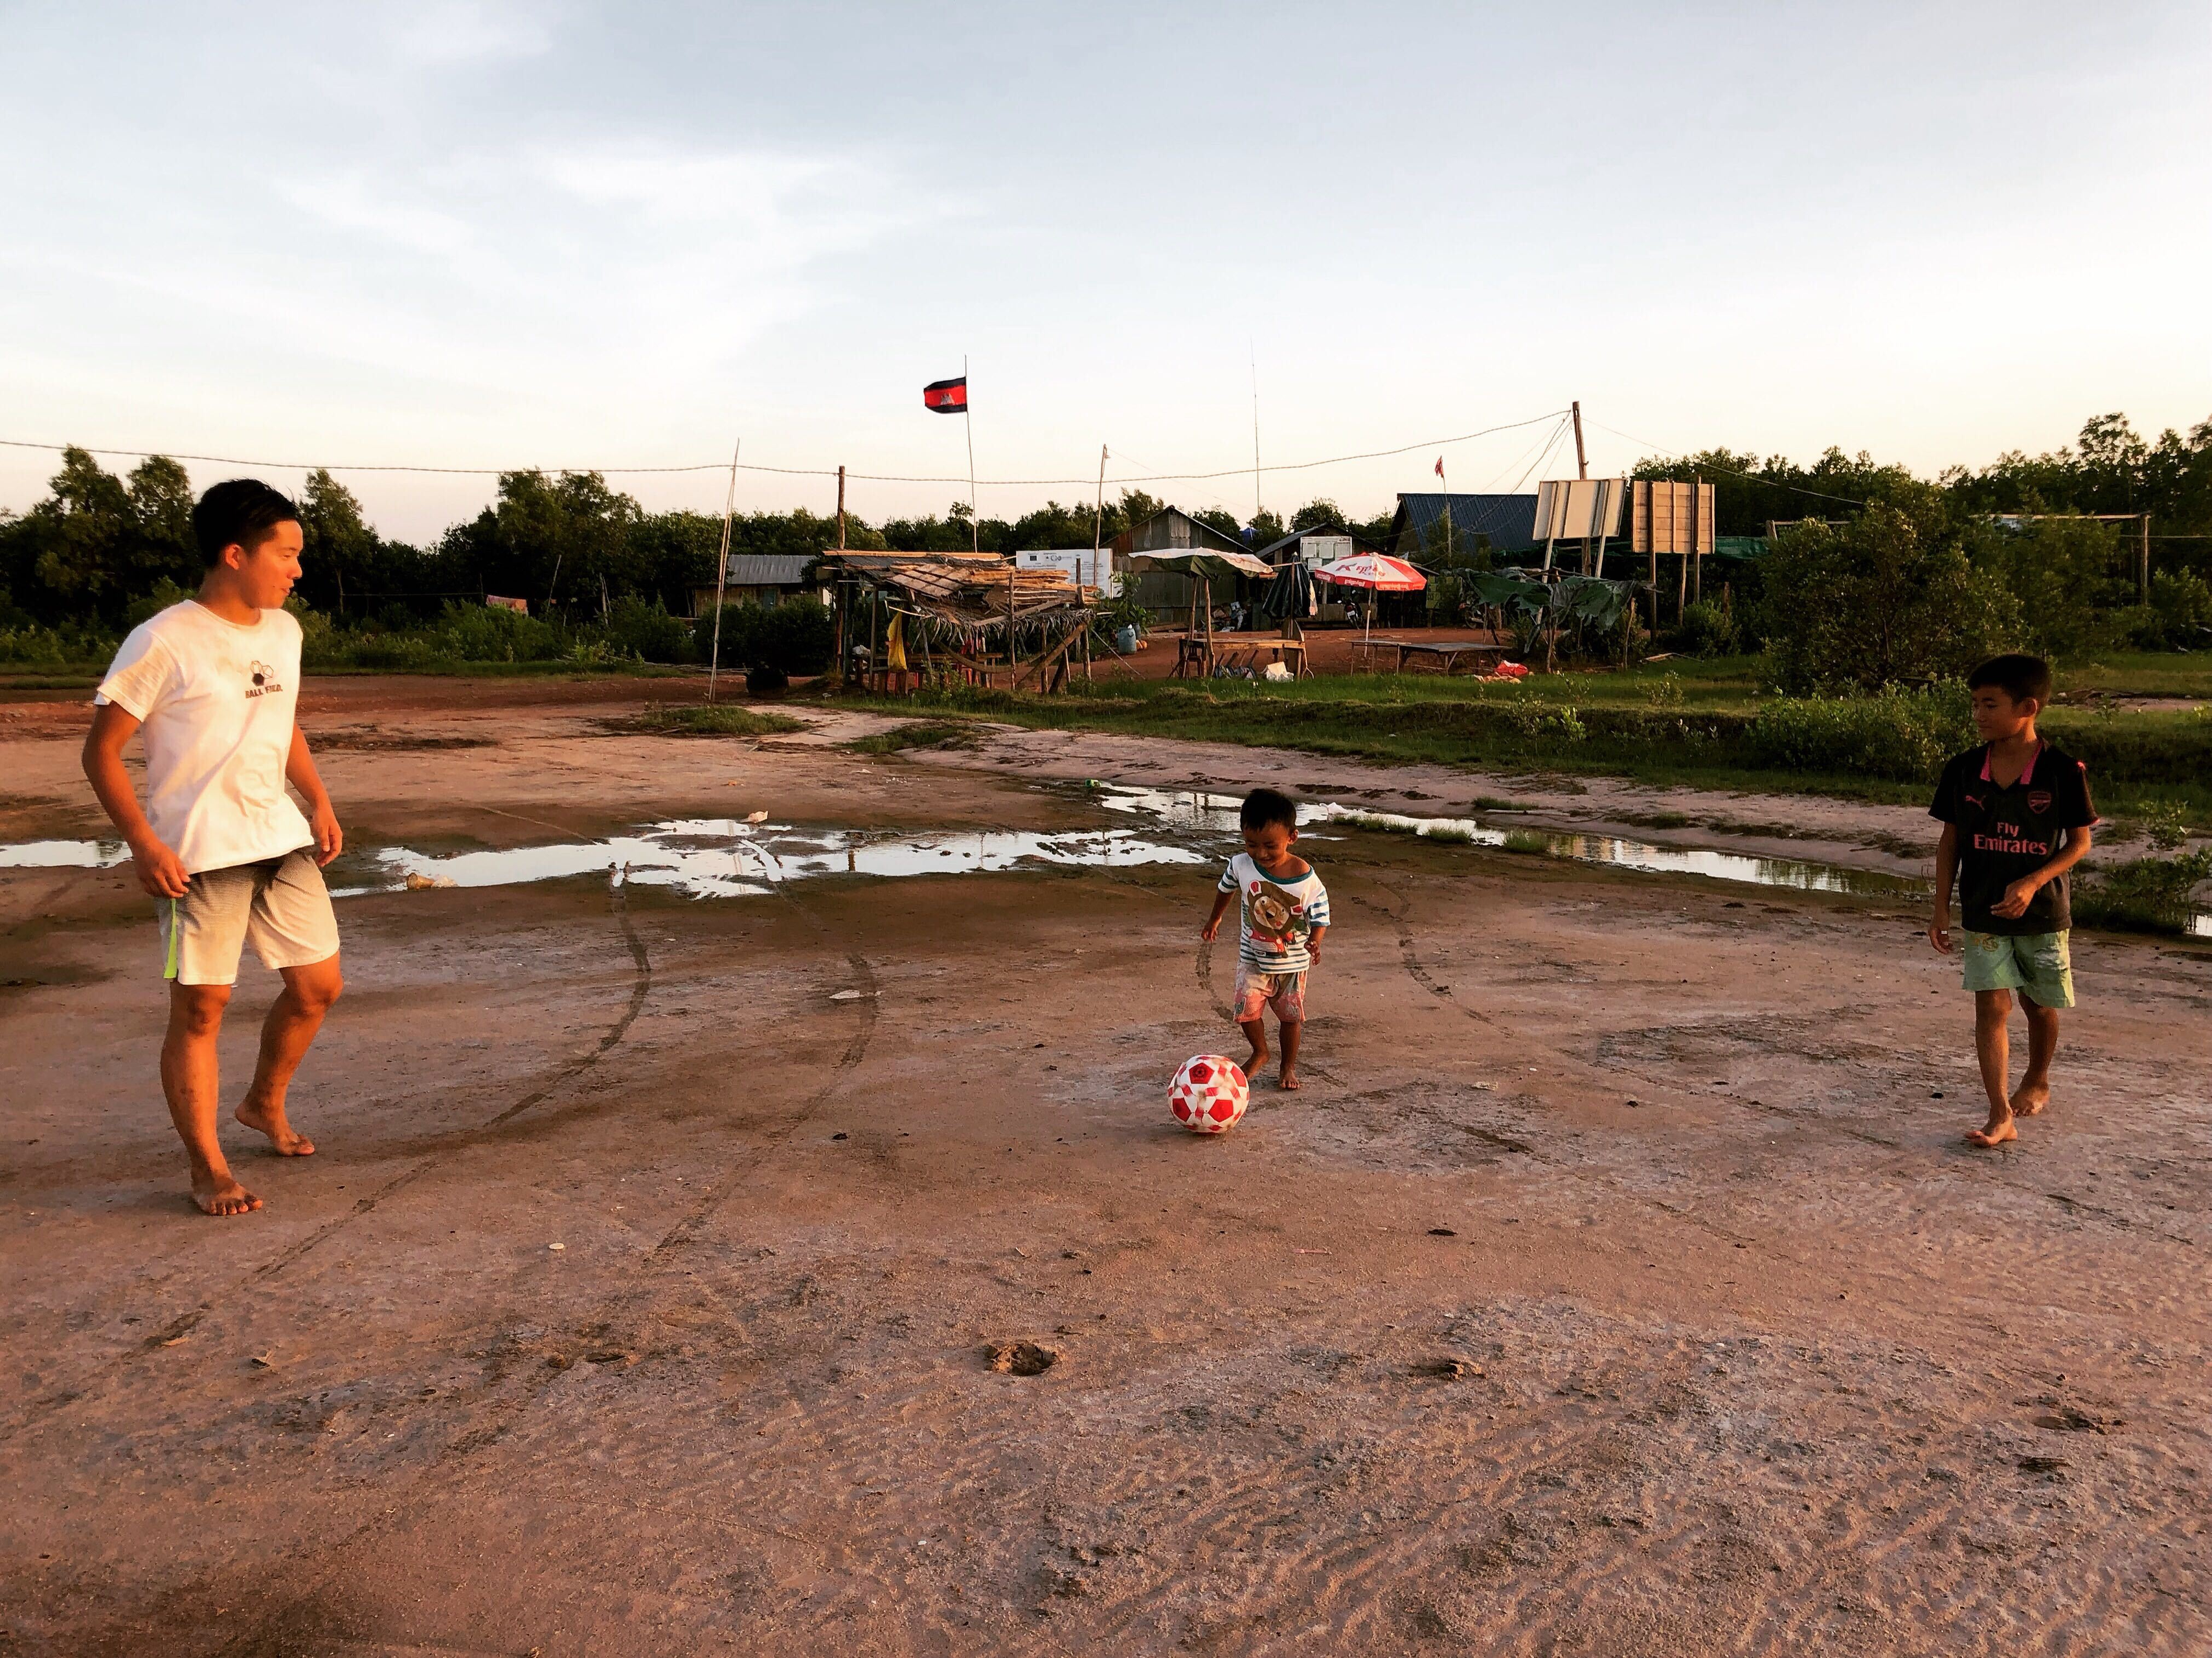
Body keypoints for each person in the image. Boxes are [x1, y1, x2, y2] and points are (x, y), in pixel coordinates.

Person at [81, 479, 345, 1216]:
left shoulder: (284, 632)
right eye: (285, 554)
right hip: (198, 852)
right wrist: (142, 842)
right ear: (236, 554)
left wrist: (317, 798)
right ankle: (208, 1168)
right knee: (203, 1008)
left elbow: (282, 721)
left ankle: (263, 1102)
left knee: (318, 987)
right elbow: (101, 751)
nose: (297, 570)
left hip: (277, 837)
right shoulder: (164, 639)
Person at [1927, 653, 2096, 1149]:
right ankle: (2000, 1112)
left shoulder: (2062, 771)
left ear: (2028, 708)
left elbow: (2079, 843)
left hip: (2043, 915)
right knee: (1991, 1006)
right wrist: (1941, 907)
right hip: (1982, 911)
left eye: (1989, 704)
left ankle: (2038, 1078)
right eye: (1975, 704)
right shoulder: (1963, 769)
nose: (1977, 714)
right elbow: (1950, 842)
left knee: (2038, 1005)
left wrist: (2032, 882)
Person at [1202, 788, 1329, 1091]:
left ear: (1292, 837)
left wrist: (1315, 940)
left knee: (1290, 1019)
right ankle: (1260, 1051)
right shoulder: (1240, 865)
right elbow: (1225, 889)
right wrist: (1215, 918)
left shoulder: (1305, 878)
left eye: (1271, 846)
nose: (1260, 854)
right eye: (1251, 844)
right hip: (1252, 957)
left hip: (1292, 963)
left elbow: (1321, 914)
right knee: (1246, 1012)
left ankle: (1288, 1066)